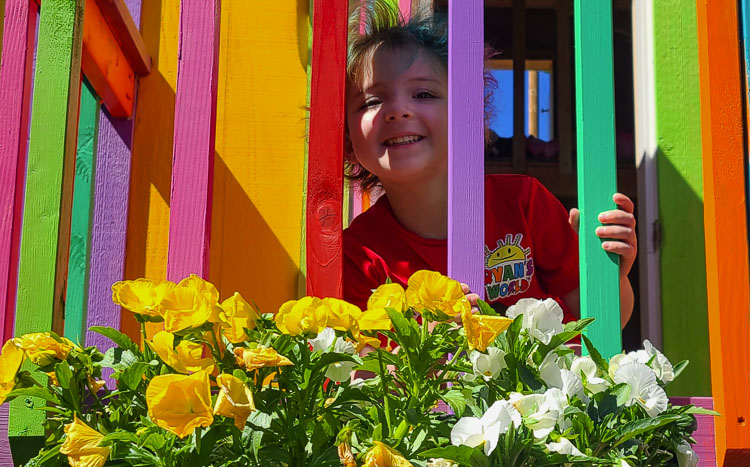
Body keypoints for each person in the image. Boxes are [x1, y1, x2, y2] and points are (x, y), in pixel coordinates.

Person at [342, 4, 636, 327]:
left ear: (466, 115)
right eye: (371, 101)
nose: (398, 110)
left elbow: (603, 323)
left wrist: (613, 278)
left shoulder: (525, 203)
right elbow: (364, 371)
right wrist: (429, 345)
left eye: (423, 94)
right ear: (348, 139)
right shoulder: (359, 254)